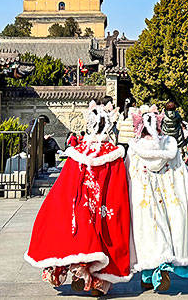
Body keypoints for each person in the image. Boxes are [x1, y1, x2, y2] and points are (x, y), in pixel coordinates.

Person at [25, 100, 131, 296]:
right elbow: (118, 187)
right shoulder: (114, 155)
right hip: (103, 205)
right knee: (102, 239)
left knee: (78, 239)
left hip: (80, 204)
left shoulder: (78, 153)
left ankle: (73, 273)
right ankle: (97, 282)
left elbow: (65, 185)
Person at [126, 104, 188, 291]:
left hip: (143, 201)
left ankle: (149, 276)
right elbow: (183, 172)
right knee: (170, 233)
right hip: (170, 199)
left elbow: (128, 175)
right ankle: (161, 271)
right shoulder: (170, 147)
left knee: (147, 236)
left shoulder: (134, 151)